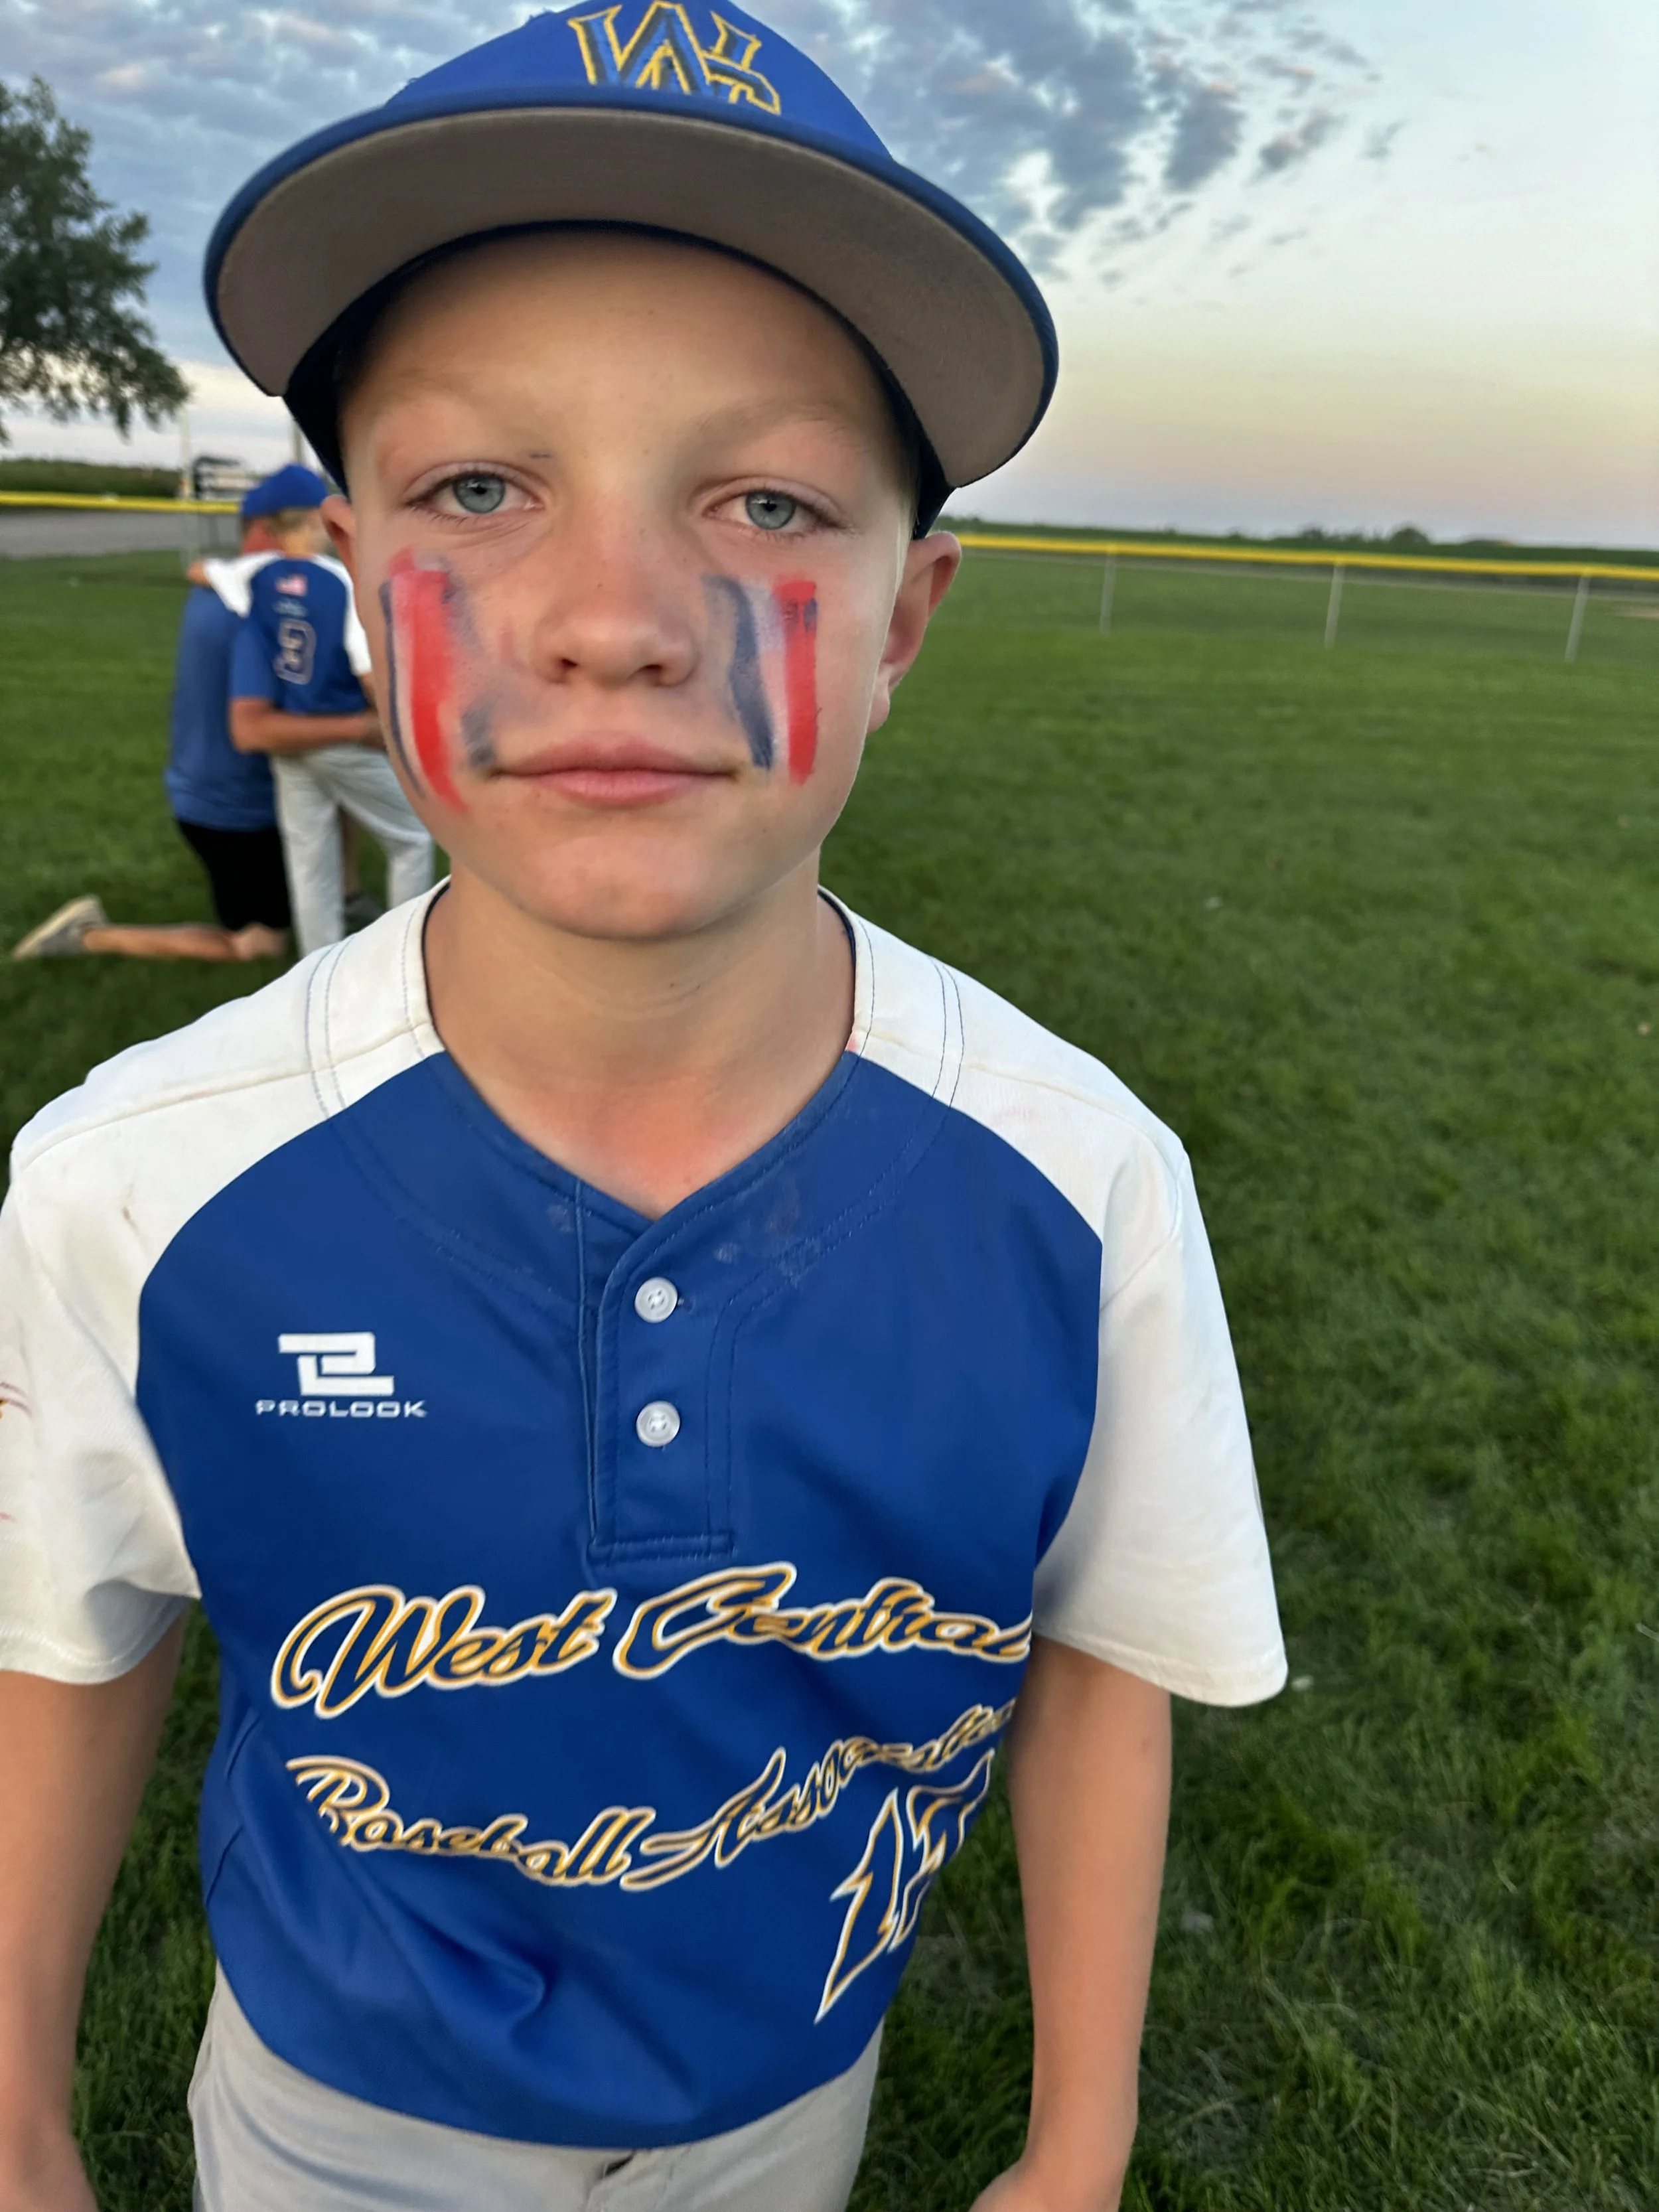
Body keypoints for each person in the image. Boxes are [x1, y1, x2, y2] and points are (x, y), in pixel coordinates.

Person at [0, 9, 1287, 2212]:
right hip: (325, 2127)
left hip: (792, 2110)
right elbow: (67, 1629)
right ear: (355, 575)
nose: (613, 621)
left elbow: (1099, 1647)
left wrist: (1077, 2143)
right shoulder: (135, 1175)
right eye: (477, 491)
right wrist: (22, 2121)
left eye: (767, 501)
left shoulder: (1078, 1180)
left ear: (906, 613)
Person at [7, 469, 311, 964]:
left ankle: (343, 896)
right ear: (270, 529)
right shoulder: (266, 602)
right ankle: (85, 936)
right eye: (313, 527)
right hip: (235, 809)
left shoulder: (217, 588)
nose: (322, 542)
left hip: (206, 789)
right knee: (258, 947)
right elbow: (261, 724)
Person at [225, 489, 435, 954]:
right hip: (342, 736)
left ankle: (316, 963)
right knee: (412, 839)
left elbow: (205, 573)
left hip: (289, 732)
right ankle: (402, 955)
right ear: (308, 525)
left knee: (309, 859)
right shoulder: (338, 579)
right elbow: (367, 672)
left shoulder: (257, 576)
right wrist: (394, 726)